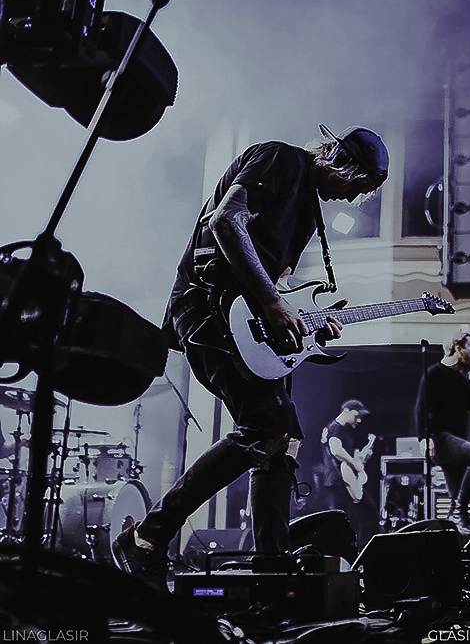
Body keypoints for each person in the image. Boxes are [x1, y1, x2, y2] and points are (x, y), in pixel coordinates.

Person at [112, 125, 390, 589]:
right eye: (356, 186)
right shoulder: (281, 159)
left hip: (245, 319)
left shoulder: (308, 211)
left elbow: (276, 283)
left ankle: (272, 572)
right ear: (341, 163)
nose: (353, 198)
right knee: (267, 428)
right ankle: (147, 536)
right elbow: (225, 222)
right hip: (208, 307)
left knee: (282, 439)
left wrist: (309, 320)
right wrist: (272, 302)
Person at [413, 329, 470, 535]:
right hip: (440, 439)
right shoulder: (434, 373)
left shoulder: (460, 378)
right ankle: (457, 515)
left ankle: (454, 527)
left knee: (457, 495)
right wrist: (423, 439)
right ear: (458, 347)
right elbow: (420, 408)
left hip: (454, 440)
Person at [319, 398, 374, 541]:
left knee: (354, 517)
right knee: (342, 520)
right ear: (346, 411)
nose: (359, 420)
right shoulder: (335, 428)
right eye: (356, 416)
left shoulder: (346, 430)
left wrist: (363, 457)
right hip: (338, 480)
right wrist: (355, 464)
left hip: (345, 480)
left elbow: (351, 454)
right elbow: (336, 450)